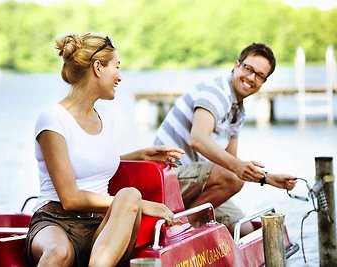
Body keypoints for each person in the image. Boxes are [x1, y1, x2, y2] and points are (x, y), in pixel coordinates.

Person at [24, 32, 184, 267]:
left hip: (101, 227)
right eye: (116, 67)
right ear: (98, 67)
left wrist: (140, 155)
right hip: (54, 220)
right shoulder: (53, 120)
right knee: (59, 252)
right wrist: (142, 204)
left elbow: (90, 164)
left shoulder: (106, 117)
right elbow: (70, 198)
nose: (119, 76)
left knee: (129, 195)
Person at [154, 43, 297, 236]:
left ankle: (189, 223)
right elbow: (198, 139)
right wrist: (237, 168)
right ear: (236, 65)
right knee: (232, 177)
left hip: (194, 182)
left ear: (263, 82)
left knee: (247, 232)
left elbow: (230, 162)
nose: (251, 78)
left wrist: (267, 178)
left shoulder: (237, 111)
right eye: (248, 69)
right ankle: (182, 229)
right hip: (166, 177)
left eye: (260, 75)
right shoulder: (217, 92)